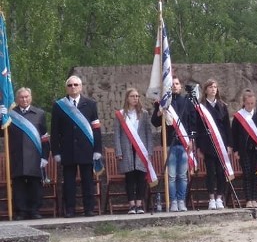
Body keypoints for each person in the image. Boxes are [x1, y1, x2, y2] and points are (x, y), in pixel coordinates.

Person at [50, 76, 102, 217]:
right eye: (70, 85)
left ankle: (89, 209)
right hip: (67, 150)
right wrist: (56, 151)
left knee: (87, 181)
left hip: (86, 149)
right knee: (68, 183)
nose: (73, 87)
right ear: (66, 88)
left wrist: (97, 149)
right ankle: (70, 209)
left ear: (81, 87)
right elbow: (54, 131)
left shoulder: (90, 104)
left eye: (76, 84)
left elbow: (96, 128)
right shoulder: (59, 105)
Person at [1, 87, 50, 219]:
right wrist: (1, 118)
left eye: (27, 96)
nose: (24, 99)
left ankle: (35, 211)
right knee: (19, 185)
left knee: (35, 185)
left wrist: (45, 156)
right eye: (21, 97)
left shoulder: (39, 113)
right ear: (17, 99)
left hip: (35, 156)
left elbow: (44, 137)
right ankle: (21, 211)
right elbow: (2, 133)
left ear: (31, 97)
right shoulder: (10, 115)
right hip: (16, 155)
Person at [151, 76, 195, 212]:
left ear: (180, 86)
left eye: (177, 83)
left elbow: (192, 122)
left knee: (182, 175)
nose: (175, 86)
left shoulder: (187, 102)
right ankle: (173, 201)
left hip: (183, 143)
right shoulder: (164, 103)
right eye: (172, 84)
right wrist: (159, 112)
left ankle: (181, 201)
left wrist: (192, 139)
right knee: (171, 176)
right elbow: (155, 122)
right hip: (169, 143)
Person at [113, 88, 154, 214]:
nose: (135, 98)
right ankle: (131, 205)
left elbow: (148, 133)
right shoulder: (120, 114)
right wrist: (118, 152)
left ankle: (139, 204)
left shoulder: (144, 113)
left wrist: (150, 151)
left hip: (141, 150)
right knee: (130, 178)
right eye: (132, 96)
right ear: (127, 98)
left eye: (137, 96)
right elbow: (117, 134)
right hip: (127, 150)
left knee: (140, 178)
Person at [195, 78, 233, 210]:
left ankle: (219, 198)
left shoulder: (222, 106)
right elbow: (198, 128)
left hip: (221, 144)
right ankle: (211, 197)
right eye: (210, 87)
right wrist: (199, 147)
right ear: (205, 90)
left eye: (215, 87)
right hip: (208, 144)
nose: (213, 89)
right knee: (210, 172)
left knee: (221, 172)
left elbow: (227, 127)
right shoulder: (201, 107)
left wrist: (229, 145)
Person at [231, 89, 257, 209]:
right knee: (247, 174)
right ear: (244, 102)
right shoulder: (239, 116)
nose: (250, 106)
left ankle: (255, 199)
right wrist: (236, 150)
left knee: (255, 174)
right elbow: (234, 134)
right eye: (248, 103)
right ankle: (248, 199)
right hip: (244, 150)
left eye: (252, 103)